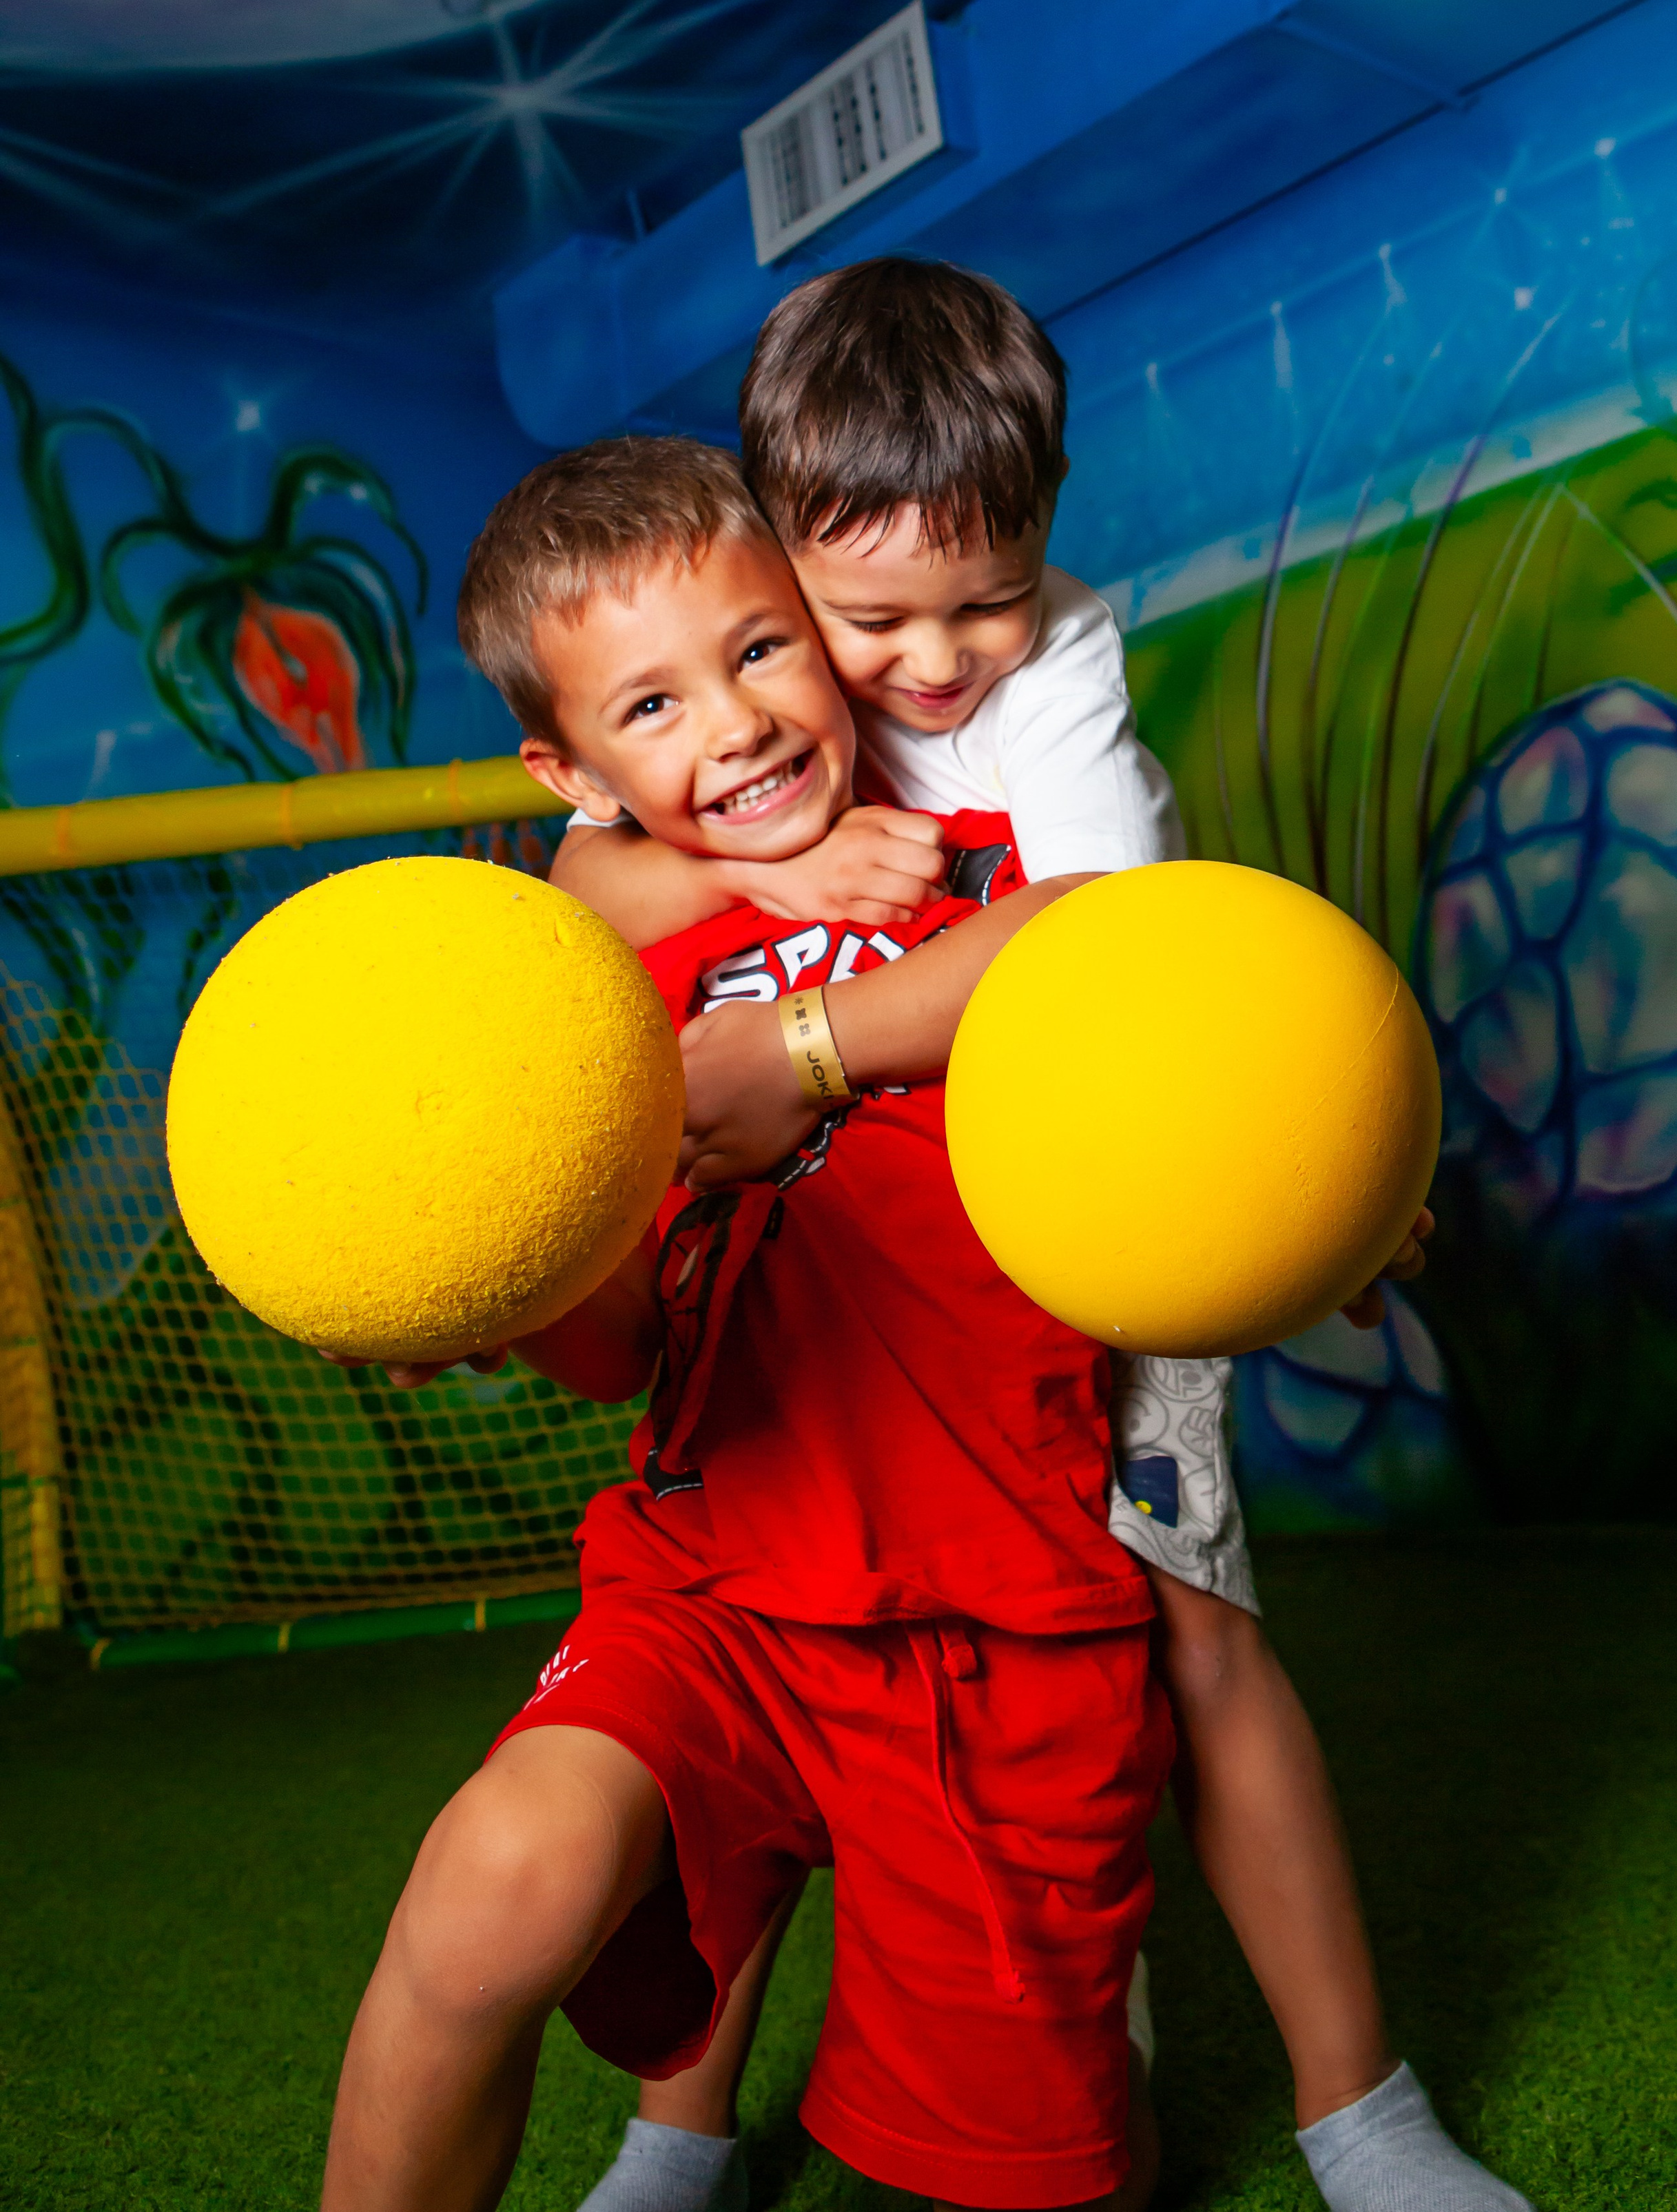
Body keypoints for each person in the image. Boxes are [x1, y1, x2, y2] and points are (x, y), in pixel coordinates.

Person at [547, 260, 1529, 2212]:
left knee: (1197, 1646)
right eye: (870, 620)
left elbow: (1093, 939)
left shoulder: (1054, 669)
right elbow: (586, 865)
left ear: (1049, 535)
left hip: (1107, 1214)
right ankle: (679, 2127)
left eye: (982, 596)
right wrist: (801, 861)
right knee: (756, 1663)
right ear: (770, 563)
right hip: (848, 1292)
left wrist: (806, 1040)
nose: (931, 664)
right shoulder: (755, 675)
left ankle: (1362, 2108)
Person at [322, 436, 1185, 2212]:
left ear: (823, 620)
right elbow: (625, 1342)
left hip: (986, 1612)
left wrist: (805, 1032)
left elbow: (1110, 937)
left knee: (1038, 2173)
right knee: (493, 1887)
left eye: (762, 650)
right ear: (576, 773)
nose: (735, 725)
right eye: (654, 704)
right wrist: (501, 1280)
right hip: (709, 1577)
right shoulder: (599, 988)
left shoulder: (974, 842)